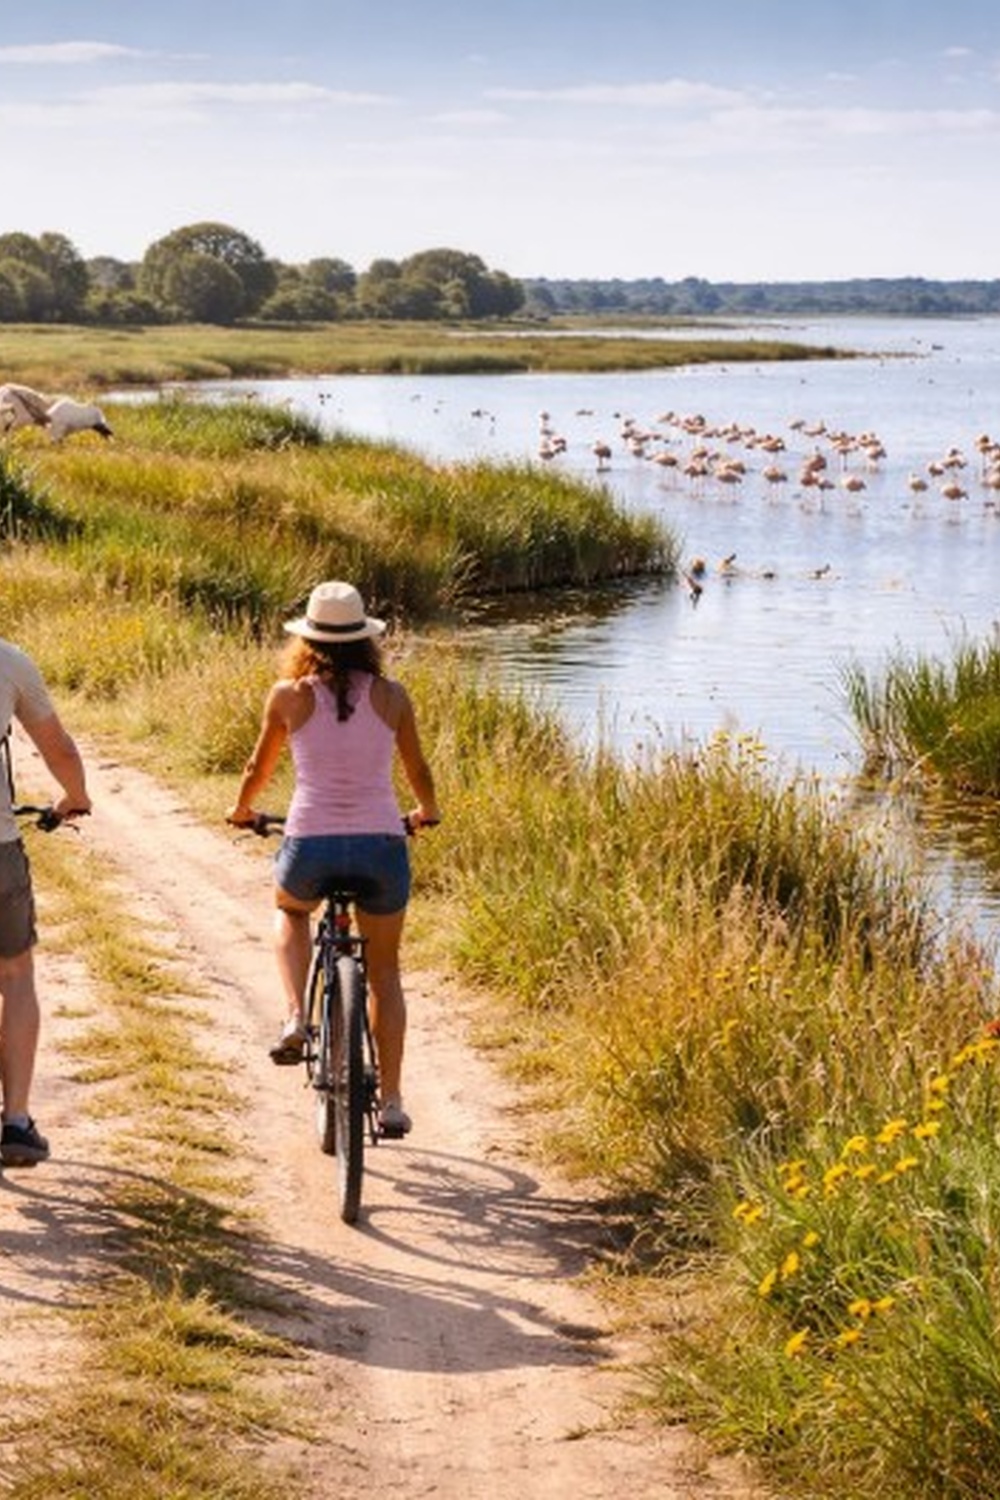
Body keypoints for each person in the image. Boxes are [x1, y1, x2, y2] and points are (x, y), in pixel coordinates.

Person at [227, 580, 440, 1136]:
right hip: (381, 847)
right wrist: (426, 811)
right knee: (385, 973)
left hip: (311, 845)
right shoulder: (392, 697)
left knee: (292, 909)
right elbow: (418, 771)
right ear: (366, 640)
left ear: (307, 639)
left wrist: (243, 810)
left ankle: (297, 1016)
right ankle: (391, 1100)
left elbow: (257, 770)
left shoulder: (288, 695)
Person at [0, 638, 91, 1167]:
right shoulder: (9, 662)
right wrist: (74, 797)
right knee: (14, 974)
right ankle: (15, 1121)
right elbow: (58, 748)